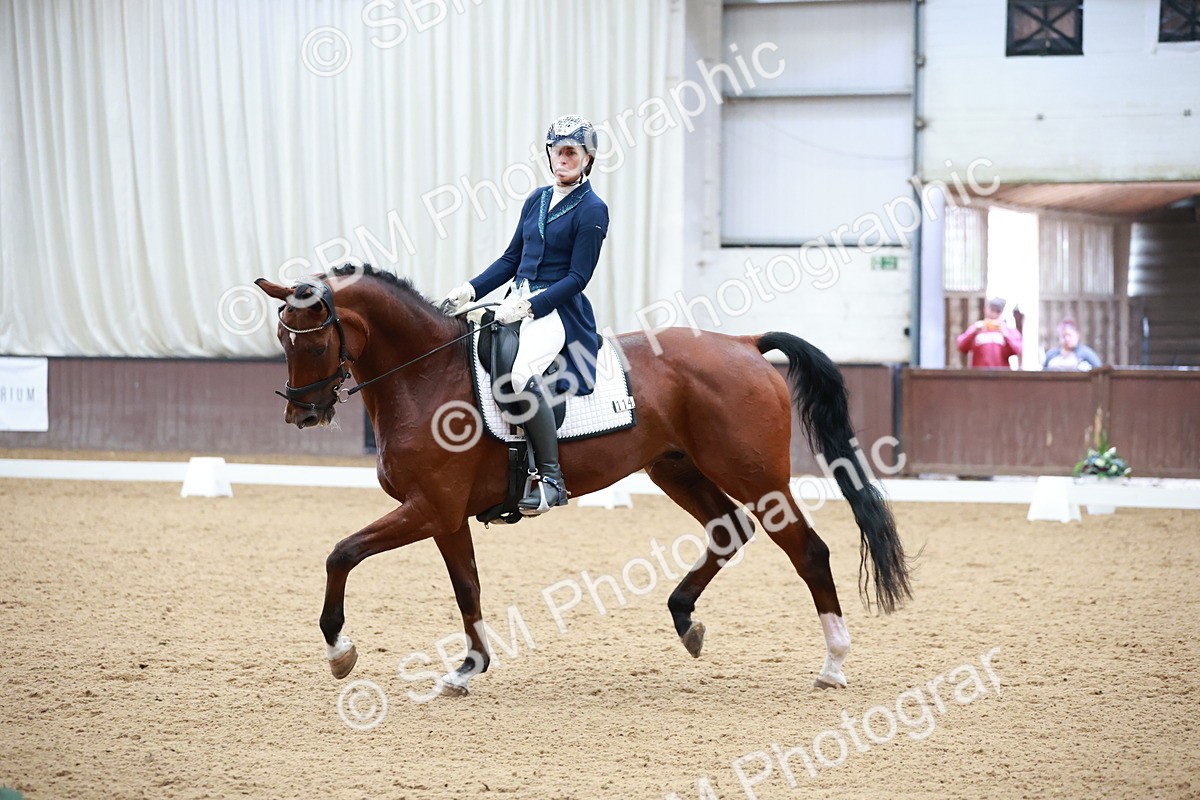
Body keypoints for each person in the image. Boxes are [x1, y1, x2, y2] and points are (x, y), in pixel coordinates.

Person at [440, 114, 609, 516]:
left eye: (571, 153)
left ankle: (551, 479)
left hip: (557, 310)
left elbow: (578, 277)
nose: (562, 159)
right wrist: (471, 290)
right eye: (556, 151)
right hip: (514, 301)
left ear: (587, 158)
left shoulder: (593, 210)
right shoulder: (537, 199)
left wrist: (533, 305)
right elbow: (511, 259)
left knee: (519, 376)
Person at [956, 297, 1023, 368]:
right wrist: (973, 333)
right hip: (979, 372)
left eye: (997, 310)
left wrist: (1006, 335)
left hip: (1001, 373)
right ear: (986, 309)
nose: (994, 313)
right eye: (992, 309)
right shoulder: (976, 327)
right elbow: (961, 347)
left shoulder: (1008, 329)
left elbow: (1018, 349)